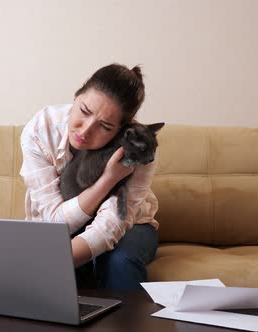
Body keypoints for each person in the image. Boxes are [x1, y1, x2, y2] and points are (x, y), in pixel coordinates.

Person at [19, 63, 159, 290]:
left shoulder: (137, 147)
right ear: (76, 97)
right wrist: (107, 180)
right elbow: (55, 221)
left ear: (122, 130)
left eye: (104, 126)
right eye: (84, 111)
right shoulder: (41, 129)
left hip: (132, 225)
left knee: (119, 262)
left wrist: (55, 260)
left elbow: (113, 222)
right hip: (58, 225)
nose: (84, 131)